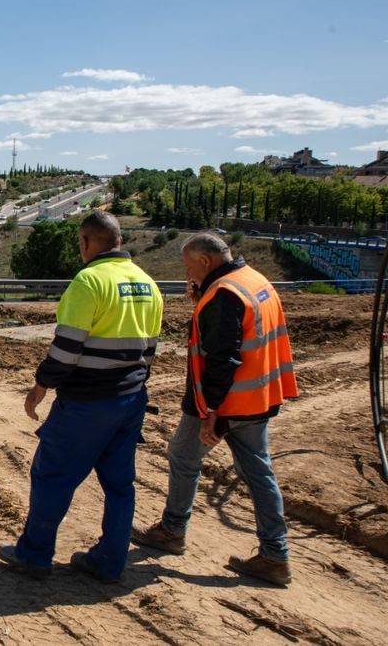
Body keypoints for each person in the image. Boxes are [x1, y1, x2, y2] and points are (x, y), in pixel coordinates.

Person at [0, 210, 163, 583]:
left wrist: (41, 385)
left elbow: (67, 348)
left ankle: (35, 555)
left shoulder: (88, 282)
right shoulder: (146, 283)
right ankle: (109, 561)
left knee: (51, 475)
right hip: (131, 397)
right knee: (120, 485)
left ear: (85, 242)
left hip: (87, 402)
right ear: (118, 241)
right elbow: (149, 350)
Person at [132, 233, 298, 586]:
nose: (186, 272)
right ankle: (275, 554)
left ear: (205, 261)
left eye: (188, 265)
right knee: (258, 471)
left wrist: (212, 411)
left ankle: (173, 531)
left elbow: (223, 358)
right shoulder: (252, 280)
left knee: (182, 453)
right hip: (260, 396)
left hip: (228, 401)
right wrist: (202, 297)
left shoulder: (224, 296)